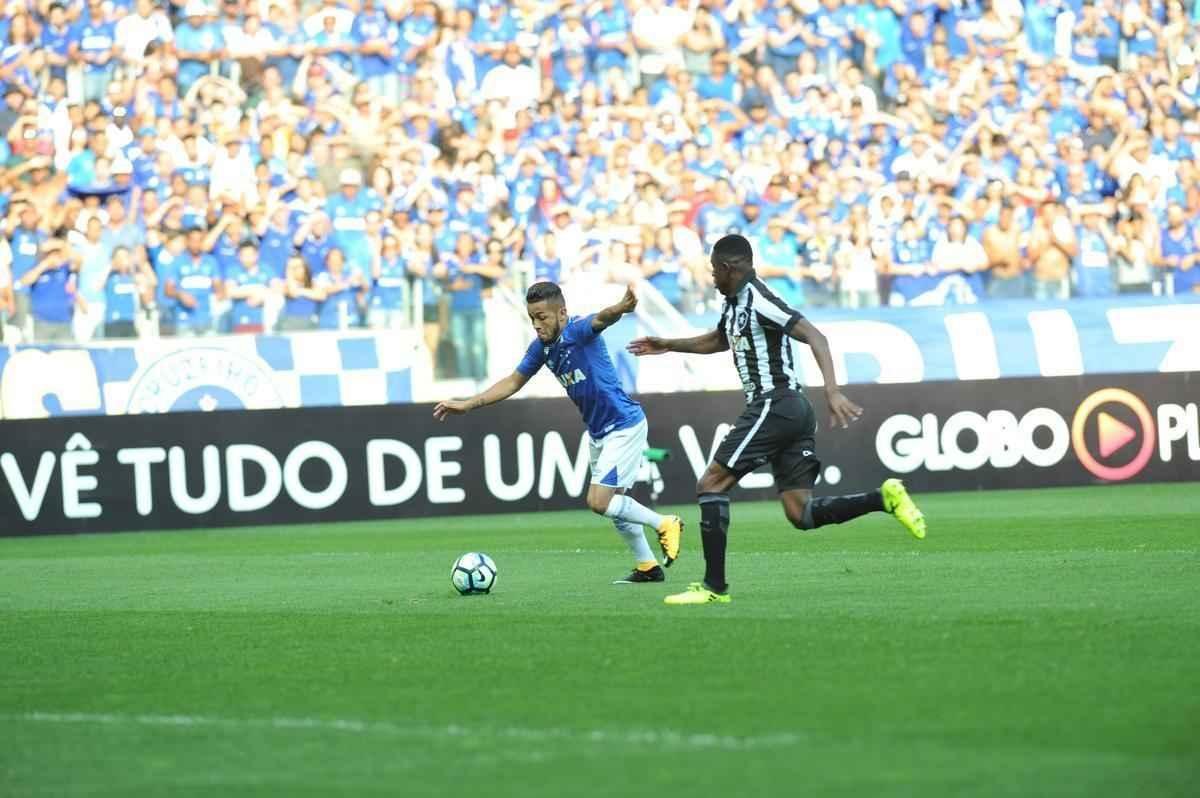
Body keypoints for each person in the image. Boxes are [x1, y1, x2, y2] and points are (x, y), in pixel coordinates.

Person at [626, 235, 926, 606]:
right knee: (801, 513)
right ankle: (883, 499)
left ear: (729, 268)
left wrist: (833, 391)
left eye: (714, 271)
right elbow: (720, 340)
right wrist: (670, 344)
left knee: (711, 483)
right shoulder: (734, 304)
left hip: (775, 403)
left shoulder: (761, 299)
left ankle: (714, 587)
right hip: (790, 411)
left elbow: (815, 336)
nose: (712, 278)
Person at [433, 281, 684, 585]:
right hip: (599, 432)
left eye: (542, 317)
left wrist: (620, 307)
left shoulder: (577, 331)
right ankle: (647, 567)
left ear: (562, 313)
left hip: (623, 425)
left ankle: (664, 523)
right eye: (532, 318)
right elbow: (513, 382)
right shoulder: (541, 348)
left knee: (599, 501)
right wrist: (467, 404)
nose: (537, 325)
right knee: (616, 504)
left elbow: (602, 318)